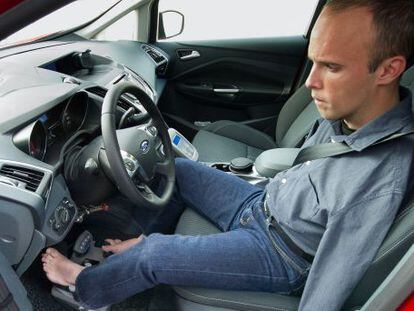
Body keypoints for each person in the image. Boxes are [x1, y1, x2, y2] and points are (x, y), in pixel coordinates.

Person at [42, 0, 414, 310]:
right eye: (314, 62)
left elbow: (335, 274)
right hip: (263, 203)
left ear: (388, 70)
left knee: (155, 256)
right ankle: (136, 250)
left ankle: (88, 286)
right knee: (178, 169)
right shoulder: (349, 112)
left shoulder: (381, 179)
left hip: (280, 254)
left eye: (331, 67)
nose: (311, 82)